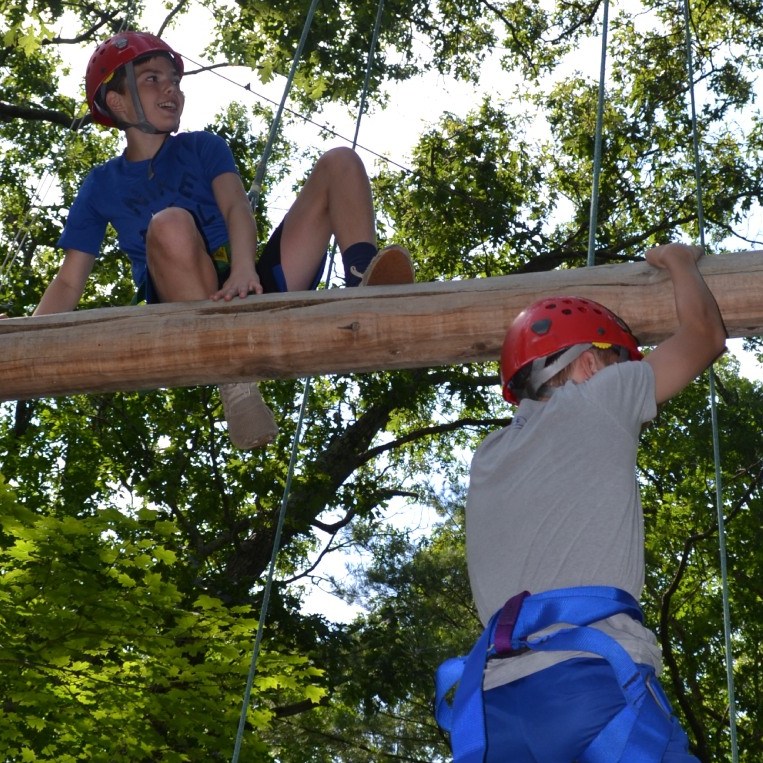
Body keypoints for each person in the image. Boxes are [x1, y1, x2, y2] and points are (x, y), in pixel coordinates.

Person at [33, 31, 414, 449]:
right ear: (118, 102)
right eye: (152, 79)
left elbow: (235, 206)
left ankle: (363, 283)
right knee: (170, 224)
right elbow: (69, 281)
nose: (170, 89)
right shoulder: (101, 184)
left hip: (244, 280)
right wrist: (25, 337)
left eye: (175, 81)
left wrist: (246, 268)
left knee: (340, 161)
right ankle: (235, 383)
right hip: (187, 300)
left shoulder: (202, 147)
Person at [435, 243, 726, 762]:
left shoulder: (488, 456)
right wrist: (681, 263)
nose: (627, 375)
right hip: (587, 683)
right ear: (591, 363)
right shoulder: (598, 398)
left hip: (497, 710)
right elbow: (705, 337)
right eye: (619, 362)